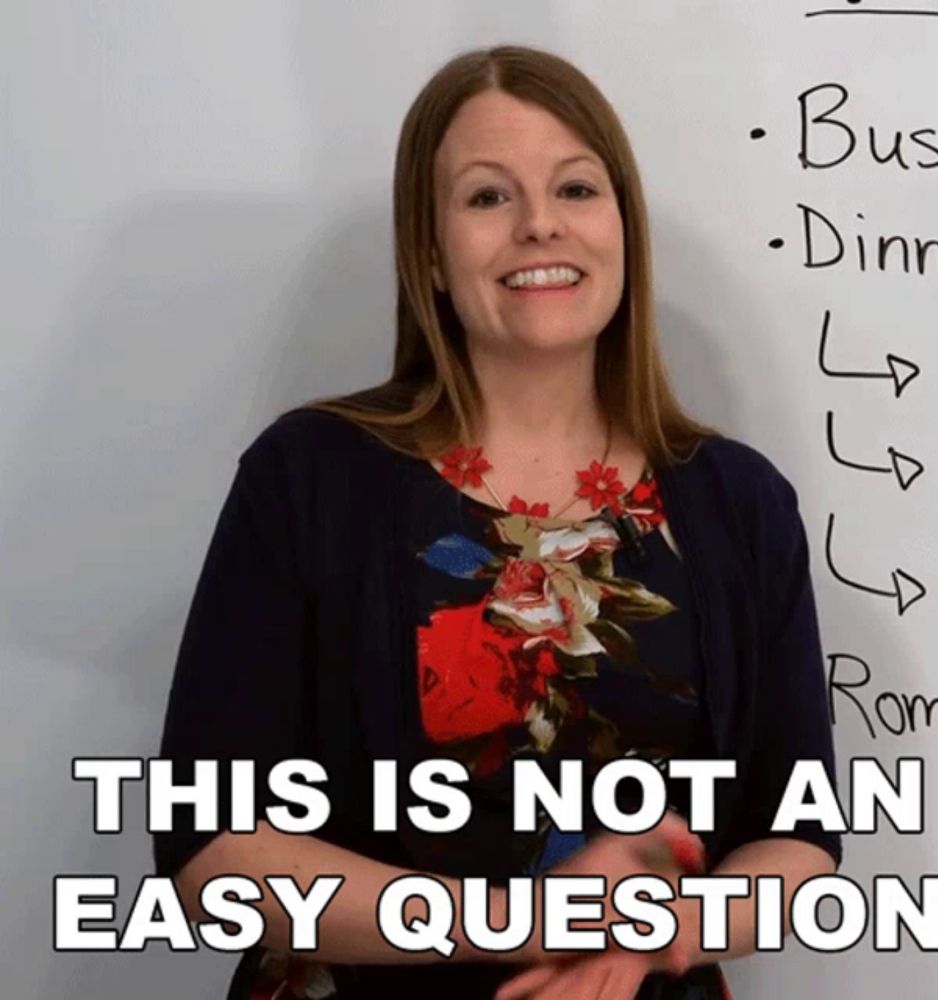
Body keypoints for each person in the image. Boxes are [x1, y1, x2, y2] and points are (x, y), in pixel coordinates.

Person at [154, 44, 842, 1000]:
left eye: (575, 188)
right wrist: (518, 921)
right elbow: (206, 848)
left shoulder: (742, 501)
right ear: (430, 254)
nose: (538, 225)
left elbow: (799, 835)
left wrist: (666, 928)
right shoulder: (307, 477)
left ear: (623, 227)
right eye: (486, 197)